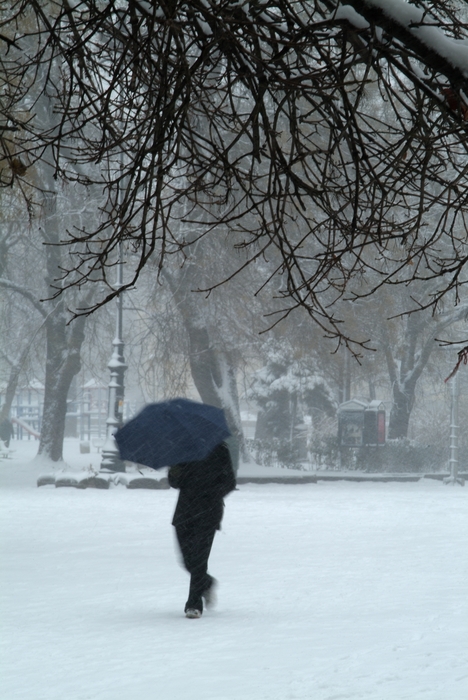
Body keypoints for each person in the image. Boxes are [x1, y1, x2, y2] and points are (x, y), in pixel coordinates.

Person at [168, 440, 236, 619]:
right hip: (185, 512)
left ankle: (194, 604)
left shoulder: (220, 449)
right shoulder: (182, 449)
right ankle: (207, 583)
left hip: (208, 512)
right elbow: (174, 482)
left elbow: (229, 481)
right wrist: (174, 469)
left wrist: (211, 493)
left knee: (199, 559)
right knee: (187, 560)